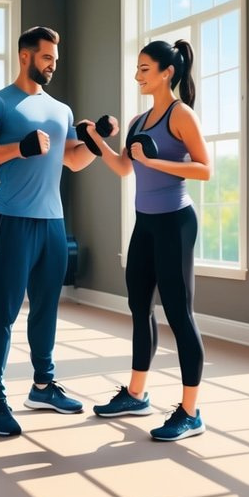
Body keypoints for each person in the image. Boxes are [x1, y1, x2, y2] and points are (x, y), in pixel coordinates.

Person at [0, 26, 100, 436]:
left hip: (53, 221)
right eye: (46, 58)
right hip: (13, 219)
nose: (53, 65)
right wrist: (17, 148)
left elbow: (72, 161)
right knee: (3, 312)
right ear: (25, 56)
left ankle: (43, 385)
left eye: (55, 59)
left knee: (46, 307)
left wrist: (94, 142)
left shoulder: (61, 110)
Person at [80, 39, 211, 441]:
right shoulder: (137, 121)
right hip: (145, 224)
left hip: (175, 222)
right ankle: (137, 394)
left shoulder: (180, 114)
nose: (137, 76)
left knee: (179, 313)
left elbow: (204, 170)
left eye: (144, 69)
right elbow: (123, 168)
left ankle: (191, 412)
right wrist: (96, 142)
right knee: (139, 306)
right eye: (136, 69)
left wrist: (154, 161)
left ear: (167, 72)